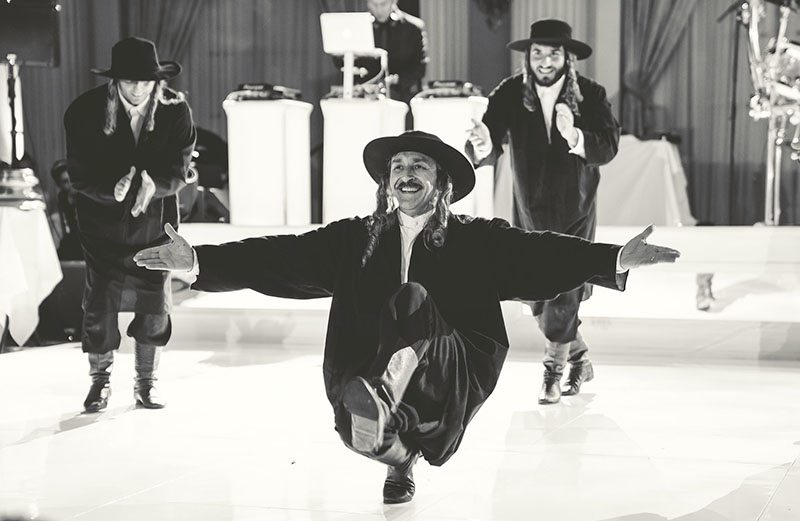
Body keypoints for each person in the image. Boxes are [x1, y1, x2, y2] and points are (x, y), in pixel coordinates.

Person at [134, 130, 679, 503]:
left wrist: (611, 259)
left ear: (440, 183)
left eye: (419, 166)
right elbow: (282, 255)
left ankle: (385, 402)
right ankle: (393, 452)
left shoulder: (475, 239)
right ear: (385, 183)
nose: (405, 173)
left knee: (412, 299)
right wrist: (201, 262)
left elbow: (539, 252)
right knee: (356, 430)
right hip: (370, 362)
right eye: (397, 167)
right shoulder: (357, 238)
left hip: (452, 363)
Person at [466, 19, 621, 405]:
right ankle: (580, 357)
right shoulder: (509, 92)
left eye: (553, 53)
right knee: (534, 293)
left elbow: (608, 146)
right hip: (529, 206)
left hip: (577, 206)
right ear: (528, 57)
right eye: (538, 53)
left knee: (565, 288)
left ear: (567, 58)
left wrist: (576, 137)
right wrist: (483, 142)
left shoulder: (590, 93)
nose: (545, 61)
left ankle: (552, 372)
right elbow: (489, 137)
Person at [63, 36, 197, 413]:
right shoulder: (84, 111)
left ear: (157, 81)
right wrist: (112, 187)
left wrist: (156, 183)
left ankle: (146, 383)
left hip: (154, 227)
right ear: (114, 80)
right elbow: (78, 174)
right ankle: (99, 382)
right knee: (101, 304)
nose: (138, 87)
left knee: (155, 306)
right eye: (130, 80)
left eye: (145, 80)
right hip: (100, 227)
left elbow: (180, 169)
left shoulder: (176, 110)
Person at [334, 0, 428, 105]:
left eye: (383, 4)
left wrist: (397, 80)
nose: (379, 10)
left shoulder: (413, 28)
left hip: (403, 98)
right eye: (373, 4)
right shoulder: (359, 27)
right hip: (366, 100)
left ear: (393, 1)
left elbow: (419, 66)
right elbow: (342, 60)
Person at [49, 159, 83, 260]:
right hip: (71, 241)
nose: (70, 185)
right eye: (65, 182)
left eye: (72, 180)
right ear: (59, 184)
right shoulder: (61, 199)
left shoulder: (85, 196)